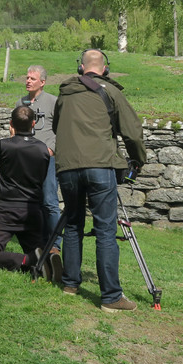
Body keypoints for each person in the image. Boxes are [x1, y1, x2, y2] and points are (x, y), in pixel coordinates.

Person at [53, 49, 146, 312]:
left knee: (72, 224)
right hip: (100, 165)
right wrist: (138, 160)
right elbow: (133, 132)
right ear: (105, 68)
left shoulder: (64, 94)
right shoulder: (111, 91)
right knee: (105, 230)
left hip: (68, 167)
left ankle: (70, 284)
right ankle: (111, 297)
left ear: (80, 68)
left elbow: (57, 127)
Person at [0, 106, 56, 278]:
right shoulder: (43, 149)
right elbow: (43, 176)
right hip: (33, 210)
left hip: (7, 208)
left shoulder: (5, 145)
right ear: (34, 124)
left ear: (11, 123)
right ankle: (45, 259)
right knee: (37, 249)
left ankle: (27, 260)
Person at [22, 65, 60, 255]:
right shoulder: (21, 103)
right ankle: (37, 241)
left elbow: (62, 130)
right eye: (27, 78)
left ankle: (55, 243)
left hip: (47, 159)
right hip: (26, 161)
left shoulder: (54, 102)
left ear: (42, 82)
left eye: (32, 79)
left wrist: (51, 149)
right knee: (31, 201)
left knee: (49, 200)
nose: (28, 81)